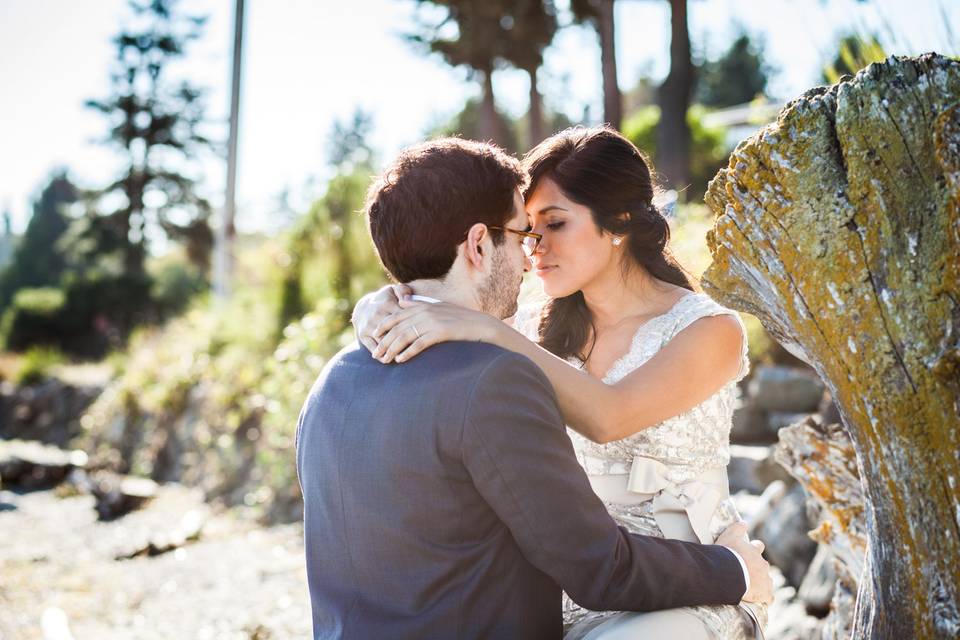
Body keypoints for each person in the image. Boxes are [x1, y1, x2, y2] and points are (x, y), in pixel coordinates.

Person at [299, 136, 771, 640]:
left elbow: (609, 417)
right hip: (574, 578)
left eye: (555, 224)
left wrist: (485, 328)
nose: (532, 248)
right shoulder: (520, 329)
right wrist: (378, 305)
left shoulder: (705, 330)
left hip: (686, 574)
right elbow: (441, 277)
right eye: (526, 228)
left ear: (620, 223)